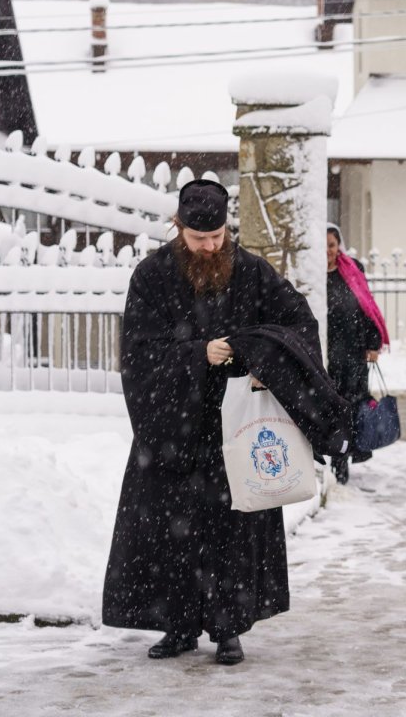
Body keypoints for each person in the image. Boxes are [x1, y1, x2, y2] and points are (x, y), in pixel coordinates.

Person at [102, 178, 328, 665]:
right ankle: (178, 625)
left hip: (238, 426)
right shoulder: (152, 276)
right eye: (198, 238)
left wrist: (260, 354)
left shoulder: (252, 272)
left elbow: (298, 325)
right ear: (178, 228)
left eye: (217, 237)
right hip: (174, 430)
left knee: (231, 529)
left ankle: (228, 629)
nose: (209, 247)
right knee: (170, 529)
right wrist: (197, 354)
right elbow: (139, 355)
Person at [325, 225, 387, 485]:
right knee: (329, 410)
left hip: (352, 352)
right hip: (324, 354)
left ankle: (342, 465)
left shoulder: (352, 270)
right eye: (323, 245)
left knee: (350, 408)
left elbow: (366, 306)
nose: (327, 251)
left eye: (331, 245)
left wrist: (373, 343)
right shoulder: (309, 275)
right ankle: (331, 461)